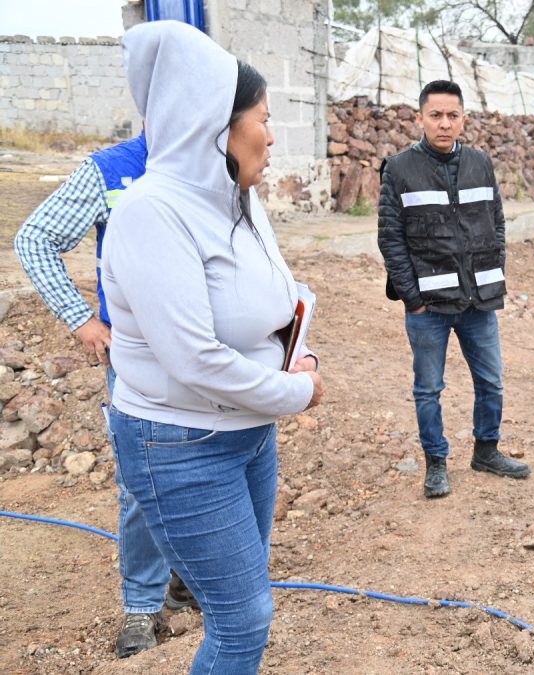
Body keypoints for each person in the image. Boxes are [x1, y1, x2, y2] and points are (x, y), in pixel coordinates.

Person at [102, 20, 323, 673]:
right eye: (262, 116)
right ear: (214, 124)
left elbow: (275, 298)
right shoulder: (152, 213)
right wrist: (297, 390)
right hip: (182, 445)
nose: (273, 132)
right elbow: (193, 359)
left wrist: (298, 347)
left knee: (241, 608)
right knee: (241, 619)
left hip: (248, 434)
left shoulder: (238, 200)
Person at [14, 132, 201, 658]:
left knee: (207, 462)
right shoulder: (111, 169)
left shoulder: (217, 155)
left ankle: (188, 580)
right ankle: (143, 606)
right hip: (138, 357)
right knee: (142, 481)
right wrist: (82, 321)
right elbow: (34, 239)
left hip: (207, 355)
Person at [378, 79, 530, 499]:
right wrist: (413, 298)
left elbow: (496, 223)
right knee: (429, 389)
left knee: (492, 382)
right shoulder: (399, 168)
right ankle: (436, 463)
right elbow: (391, 239)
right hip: (428, 306)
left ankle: (486, 451)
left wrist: (492, 272)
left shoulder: (480, 162)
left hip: (478, 302)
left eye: (452, 115)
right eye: (435, 115)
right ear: (420, 118)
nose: (444, 123)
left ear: (463, 118)